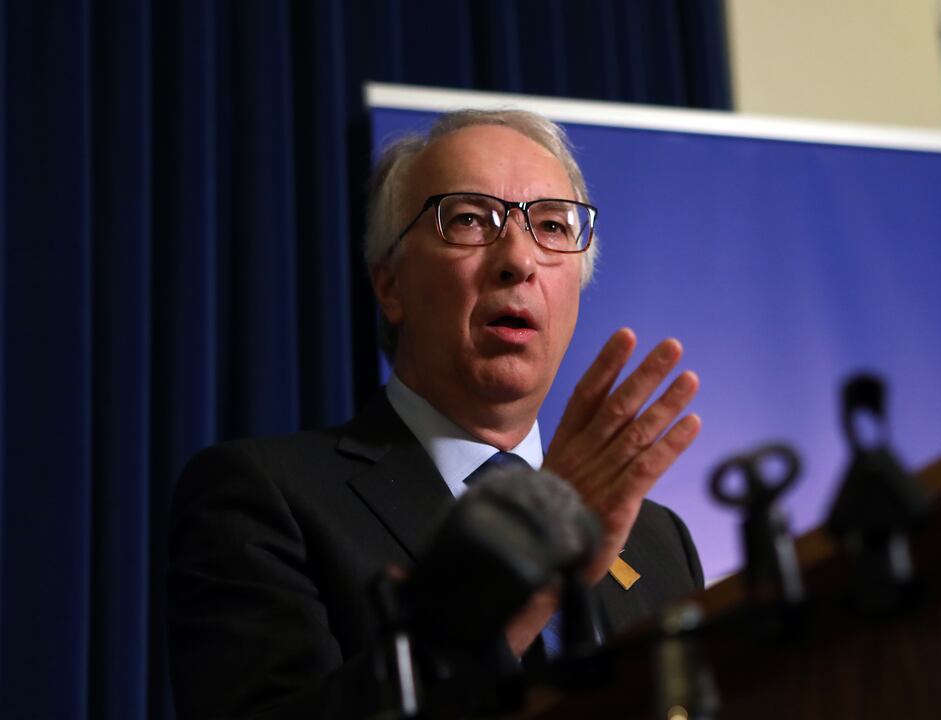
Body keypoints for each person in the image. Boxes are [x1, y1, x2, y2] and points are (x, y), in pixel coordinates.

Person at [167, 109, 704, 719]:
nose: (520, 259)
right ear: (390, 286)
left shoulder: (659, 543)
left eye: (552, 225)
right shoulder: (262, 498)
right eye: (470, 219)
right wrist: (532, 564)